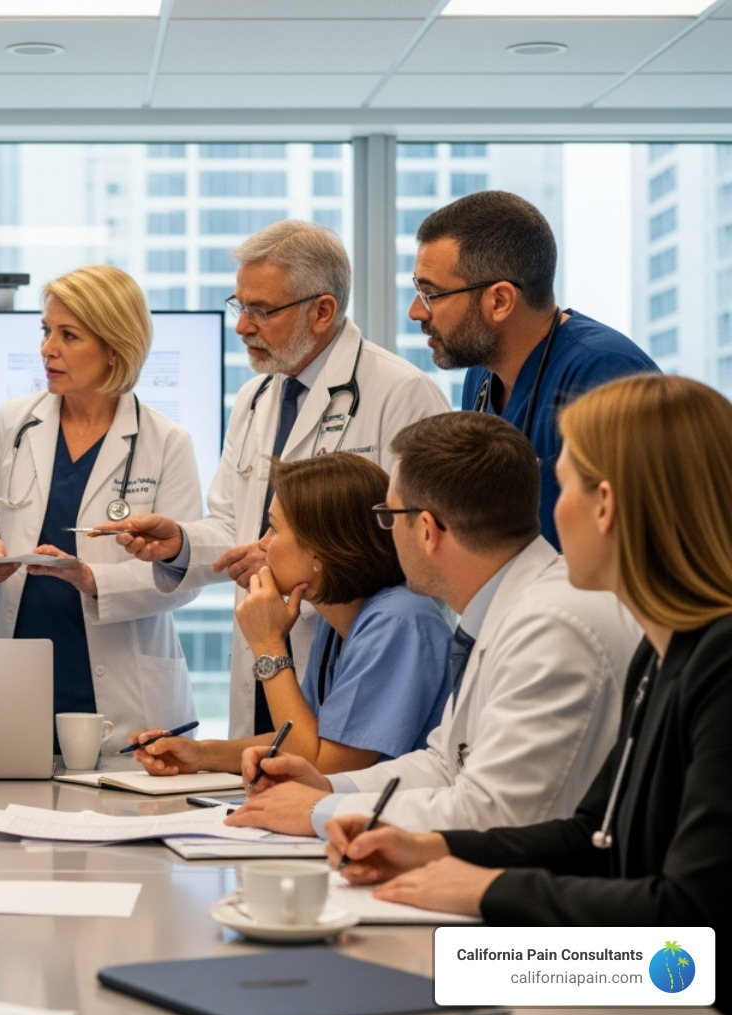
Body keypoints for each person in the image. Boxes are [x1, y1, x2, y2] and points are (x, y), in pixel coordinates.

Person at [326, 375, 731, 954]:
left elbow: (687, 917)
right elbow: (592, 838)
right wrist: (434, 849)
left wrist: (488, 889)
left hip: (683, 982)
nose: (549, 512)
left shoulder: (720, 664)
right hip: (656, 967)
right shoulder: (665, 652)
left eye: (562, 487)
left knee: (445, 980)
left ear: (606, 506)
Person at [110, 220, 449, 739]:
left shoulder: (401, 394)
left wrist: (292, 559)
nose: (243, 326)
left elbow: (426, 545)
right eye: (239, 305)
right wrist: (180, 543)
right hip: (267, 642)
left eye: (261, 311)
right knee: (271, 775)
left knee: (334, 777)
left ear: (322, 311)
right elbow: (232, 524)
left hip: (356, 652)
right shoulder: (255, 399)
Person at [227, 412, 639, 838]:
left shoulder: (551, 628)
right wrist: (330, 787)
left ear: (426, 529)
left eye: (390, 516)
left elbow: (491, 812)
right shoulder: (507, 608)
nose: (385, 534)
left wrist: (321, 810)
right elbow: (444, 762)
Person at [0, 265, 203, 751]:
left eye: (69, 335)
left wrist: (94, 580)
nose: (48, 348)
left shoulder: (167, 442)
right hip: (16, 664)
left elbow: (183, 576)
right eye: (46, 331)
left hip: (123, 686)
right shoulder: (12, 424)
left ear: (114, 348)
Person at [132, 453, 451, 776]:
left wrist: (268, 644)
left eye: (273, 529)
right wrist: (200, 754)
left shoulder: (400, 622)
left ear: (319, 549)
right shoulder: (337, 621)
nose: (262, 545)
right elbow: (303, 738)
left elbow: (321, 764)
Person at [409, 189, 658, 547]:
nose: (416, 312)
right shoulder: (481, 375)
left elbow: (635, 548)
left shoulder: (604, 375)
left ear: (500, 301)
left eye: (431, 294)